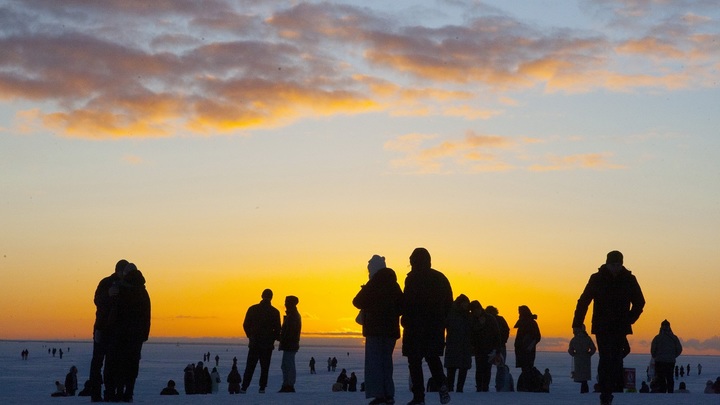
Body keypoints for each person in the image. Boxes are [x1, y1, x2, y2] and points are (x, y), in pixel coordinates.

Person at [572, 250, 645, 405]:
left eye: (619, 264)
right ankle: (605, 393)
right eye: (613, 264)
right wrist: (577, 323)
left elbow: (640, 302)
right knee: (606, 358)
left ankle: (612, 387)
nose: (616, 267)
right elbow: (584, 301)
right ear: (607, 263)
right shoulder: (597, 278)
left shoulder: (629, 279)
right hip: (602, 326)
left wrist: (629, 319)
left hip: (620, 326)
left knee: (617, 357)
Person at [401, 247, 453, 405]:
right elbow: (449, 304)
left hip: (415, 329)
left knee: (415, 363)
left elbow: (407, 303)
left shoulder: (412, 278)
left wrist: (405, 320)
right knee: (433, 359)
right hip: (434, 329)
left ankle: (419, 398)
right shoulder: (440, 278)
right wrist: (441, 321)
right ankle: (442, 386)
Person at [353, 254, 403, 405]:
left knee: (375, 363)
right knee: (386, 363)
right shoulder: (394, 284)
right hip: (390, 331)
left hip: (375, 330)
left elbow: (357, 301)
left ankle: (379, 395)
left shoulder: (373, 283)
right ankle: (388, 395)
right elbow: (401, 305)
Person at [103, 262, 152, 403]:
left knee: (119, 364)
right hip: (136, 336)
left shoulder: (121, 288)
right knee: (132, 365)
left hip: (120, 334)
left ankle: (119, 392)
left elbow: (114, 311)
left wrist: (109, 328)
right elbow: (146, 315)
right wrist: (144, 334)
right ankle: (129, 393)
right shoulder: (143, 292)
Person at [88, 259, 127, 402]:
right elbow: (97, 301)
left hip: (114, 331)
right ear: (118, 271)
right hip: (102, 328)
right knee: (98, 363)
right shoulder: (105, 283)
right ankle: (96, 394)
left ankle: (109, 393)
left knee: (111, 364)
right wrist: (108, 295)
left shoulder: (125, 286)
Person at [240, 288, 281, 394]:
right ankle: (262, 388)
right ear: (271, 297)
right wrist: (272, 338)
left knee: (250, 366)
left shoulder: (253, 309)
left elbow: (245, 325)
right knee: (265, 367)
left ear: (261, 296)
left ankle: (244, 387)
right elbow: (277, 329)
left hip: (255, 344)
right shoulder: (275, 312)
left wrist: (251, 336)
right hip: (267, 345)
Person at [469, 300, 501, 392]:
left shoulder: (490, 318)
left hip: (489, 348)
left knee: (487, 369)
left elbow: (496, 334)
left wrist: (497, 349)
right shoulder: (473, 319)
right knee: (479, 369)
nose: (475, 312)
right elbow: (472, 333)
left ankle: (485, 387)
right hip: (478, 348)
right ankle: (479, 387)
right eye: (473, 311)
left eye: (476, 310)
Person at [443, 294, 472, 393]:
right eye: (464, 303)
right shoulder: (451, 314)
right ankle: (450, 389)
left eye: (467, 303)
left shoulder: (469, 315)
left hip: (465, 345)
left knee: (463, 369)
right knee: (451, 369)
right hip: (453, 344)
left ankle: (460, 389)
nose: (466, 305)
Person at [650, 319, 682, 393]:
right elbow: (679, 349)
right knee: (670, 377)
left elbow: (653, 349)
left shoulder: (657, 338)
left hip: (659, 361)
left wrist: (655, 356)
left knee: (661, 378)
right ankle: (670, 392)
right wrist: (673, 356)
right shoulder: (674, 338)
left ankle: (662, 392)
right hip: (670, 361)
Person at [278, 295, 302, 393]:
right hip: (289, 344)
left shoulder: (293, 316)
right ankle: (286, 384)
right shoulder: (291, 315)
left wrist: (281, 337)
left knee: (288, 365)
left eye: (286, 302)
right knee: (285, 365)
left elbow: (289, 332)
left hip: (290, 345)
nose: (285, 304)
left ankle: (289, 385)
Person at [568, 324, 596, 393]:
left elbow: (570, 350)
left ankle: (583, 392)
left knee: (580, 376)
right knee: (585, 378)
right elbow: (593, 348)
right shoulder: (587, 338)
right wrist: (589, 354)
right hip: (586, 358)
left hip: (578, 358)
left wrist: (574, 354)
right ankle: (585, 391)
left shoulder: (574, 339)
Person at [514, 305, 541, 375]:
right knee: (525, 370)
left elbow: (537, 337)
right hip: (522, 350)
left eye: (520, 312)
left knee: (527, 369)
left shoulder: (531, 323)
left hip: (527, 351)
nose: (519, 314)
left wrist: (530, 346)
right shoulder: (522, 322)